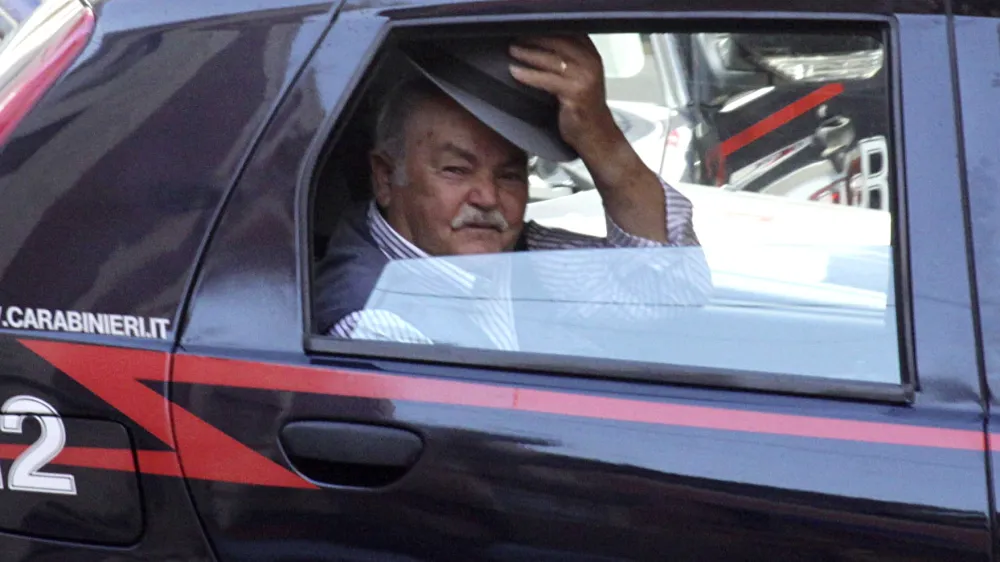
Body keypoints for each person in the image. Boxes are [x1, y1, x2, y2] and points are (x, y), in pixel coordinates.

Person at [315, 35, 712, 349]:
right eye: (456, 170)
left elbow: (670, 290)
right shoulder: (375, 317)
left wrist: (600, 137)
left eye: (509, 175)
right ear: (386, 178)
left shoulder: (513, 254)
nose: (488, 198)